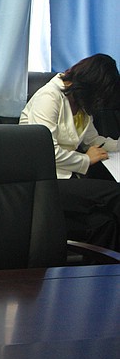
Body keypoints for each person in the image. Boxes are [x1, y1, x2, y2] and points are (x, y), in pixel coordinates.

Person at [19, 53, 120, 251]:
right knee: (115, 193)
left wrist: (117, 146)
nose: (99, 103)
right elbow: (46, 151)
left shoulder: (79, 103)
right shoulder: (49, 98)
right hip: (44, 182)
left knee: (105, 223)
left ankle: (102, 269)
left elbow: (93, 140)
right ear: (90, 86)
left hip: (68, 179)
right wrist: (85, 160)